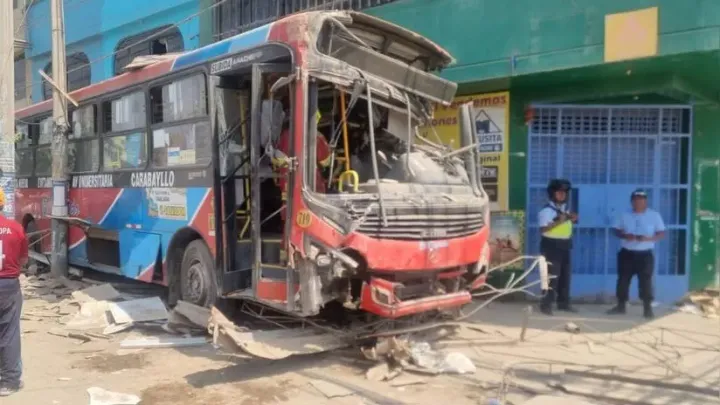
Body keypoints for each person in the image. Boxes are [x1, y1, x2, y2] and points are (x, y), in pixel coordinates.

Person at [607, 189, 665, 319]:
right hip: (627, 254)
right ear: (632, 202)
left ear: (646, 202)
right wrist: (625, 235)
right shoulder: (624, 214)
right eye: (636, 200)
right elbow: (615, 230)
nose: (638, 203)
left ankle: (647, 308)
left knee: (645, 281)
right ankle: (621, 305)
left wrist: (649, 239)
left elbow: (661, 233)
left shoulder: (654, 215)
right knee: (623, 280)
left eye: (641, 200)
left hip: (645, 255)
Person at [0, 188, 28, 396]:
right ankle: (9, 382)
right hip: (8, 285)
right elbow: (24, 259)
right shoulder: (16, 228)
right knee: (9, 333)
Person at [537, 179, 578, 315]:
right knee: (550, 277)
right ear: (552, 193)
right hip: (551, 246)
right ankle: (546, 305)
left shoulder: (565, 210)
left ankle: (563, 303)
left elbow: (569, 224)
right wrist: (558, 221)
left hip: (565, 245)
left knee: (565, 277)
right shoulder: (546, 211)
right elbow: (543, 229)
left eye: (564, 193)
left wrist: (572, 219)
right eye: (559, 192)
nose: (562, 195)